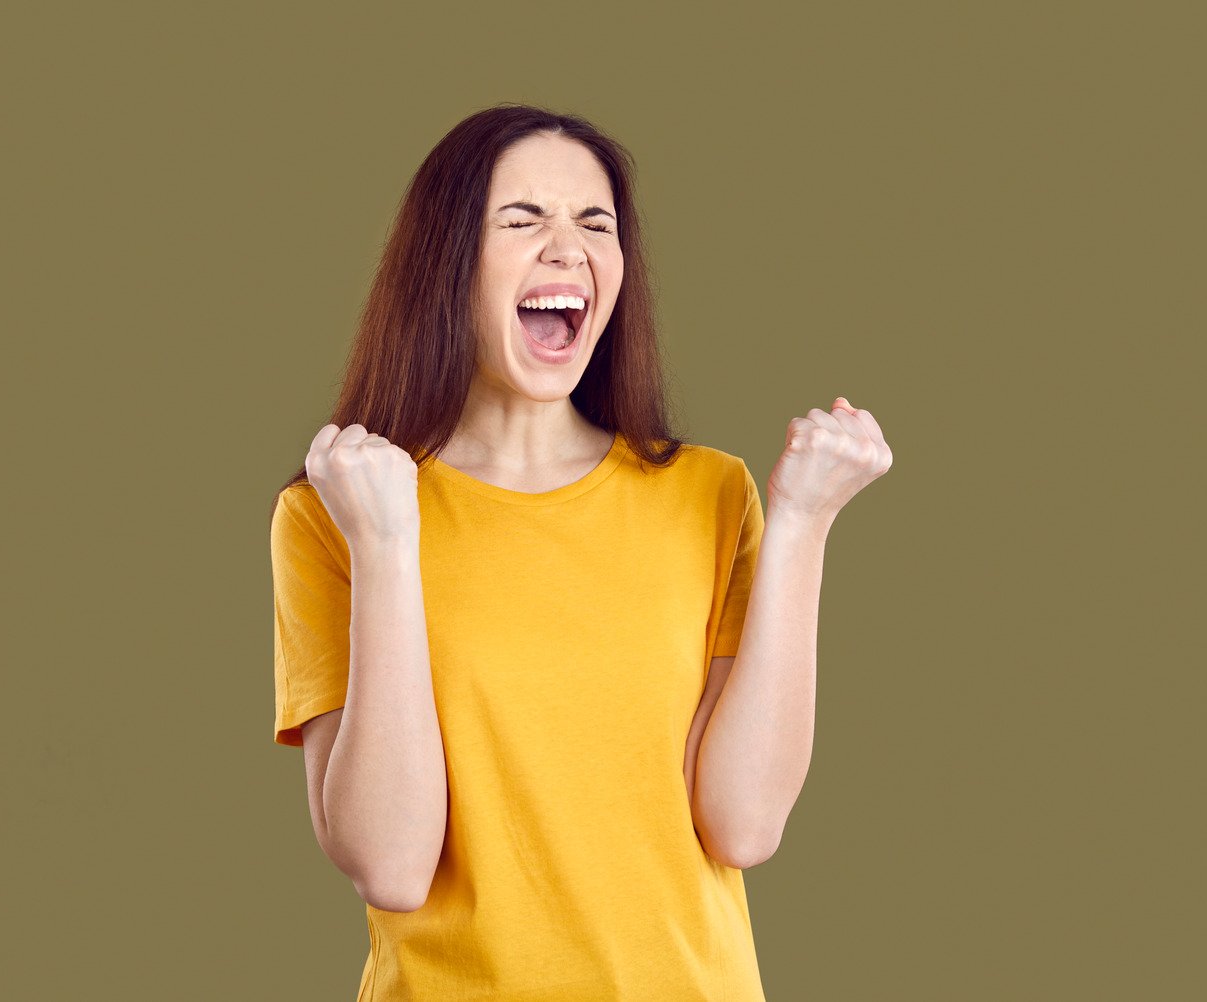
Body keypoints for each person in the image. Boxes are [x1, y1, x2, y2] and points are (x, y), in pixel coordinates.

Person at [269, 103, 892, 1001]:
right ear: (445, 266)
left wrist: (803, 526)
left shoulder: (709, 495)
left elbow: (744, 826)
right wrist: (387, 544)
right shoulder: (336, 514)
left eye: (594, 225)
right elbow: (393, 866)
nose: (568, 249)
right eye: (522, 220)